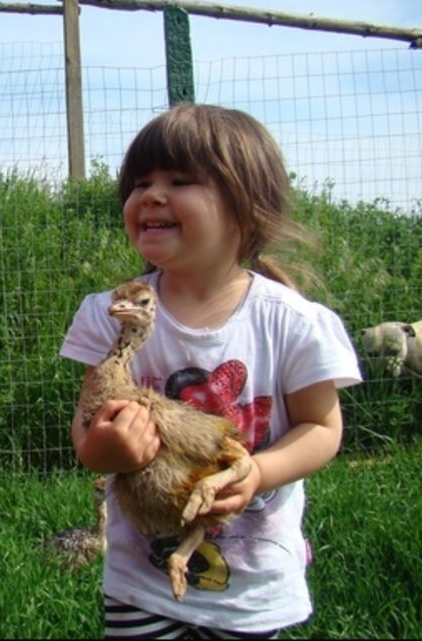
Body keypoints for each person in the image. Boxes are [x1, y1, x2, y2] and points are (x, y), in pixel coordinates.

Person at [60, 103, 361, 638]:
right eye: (140, 183)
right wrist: (102, 452)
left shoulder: (291, 322)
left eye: (179, 181)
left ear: (246, 208)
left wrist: (258, 473)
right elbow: (86, 427)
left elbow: (321, 427)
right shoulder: (107, 313)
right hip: (139, 582)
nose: (152, 195)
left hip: (252, 587)